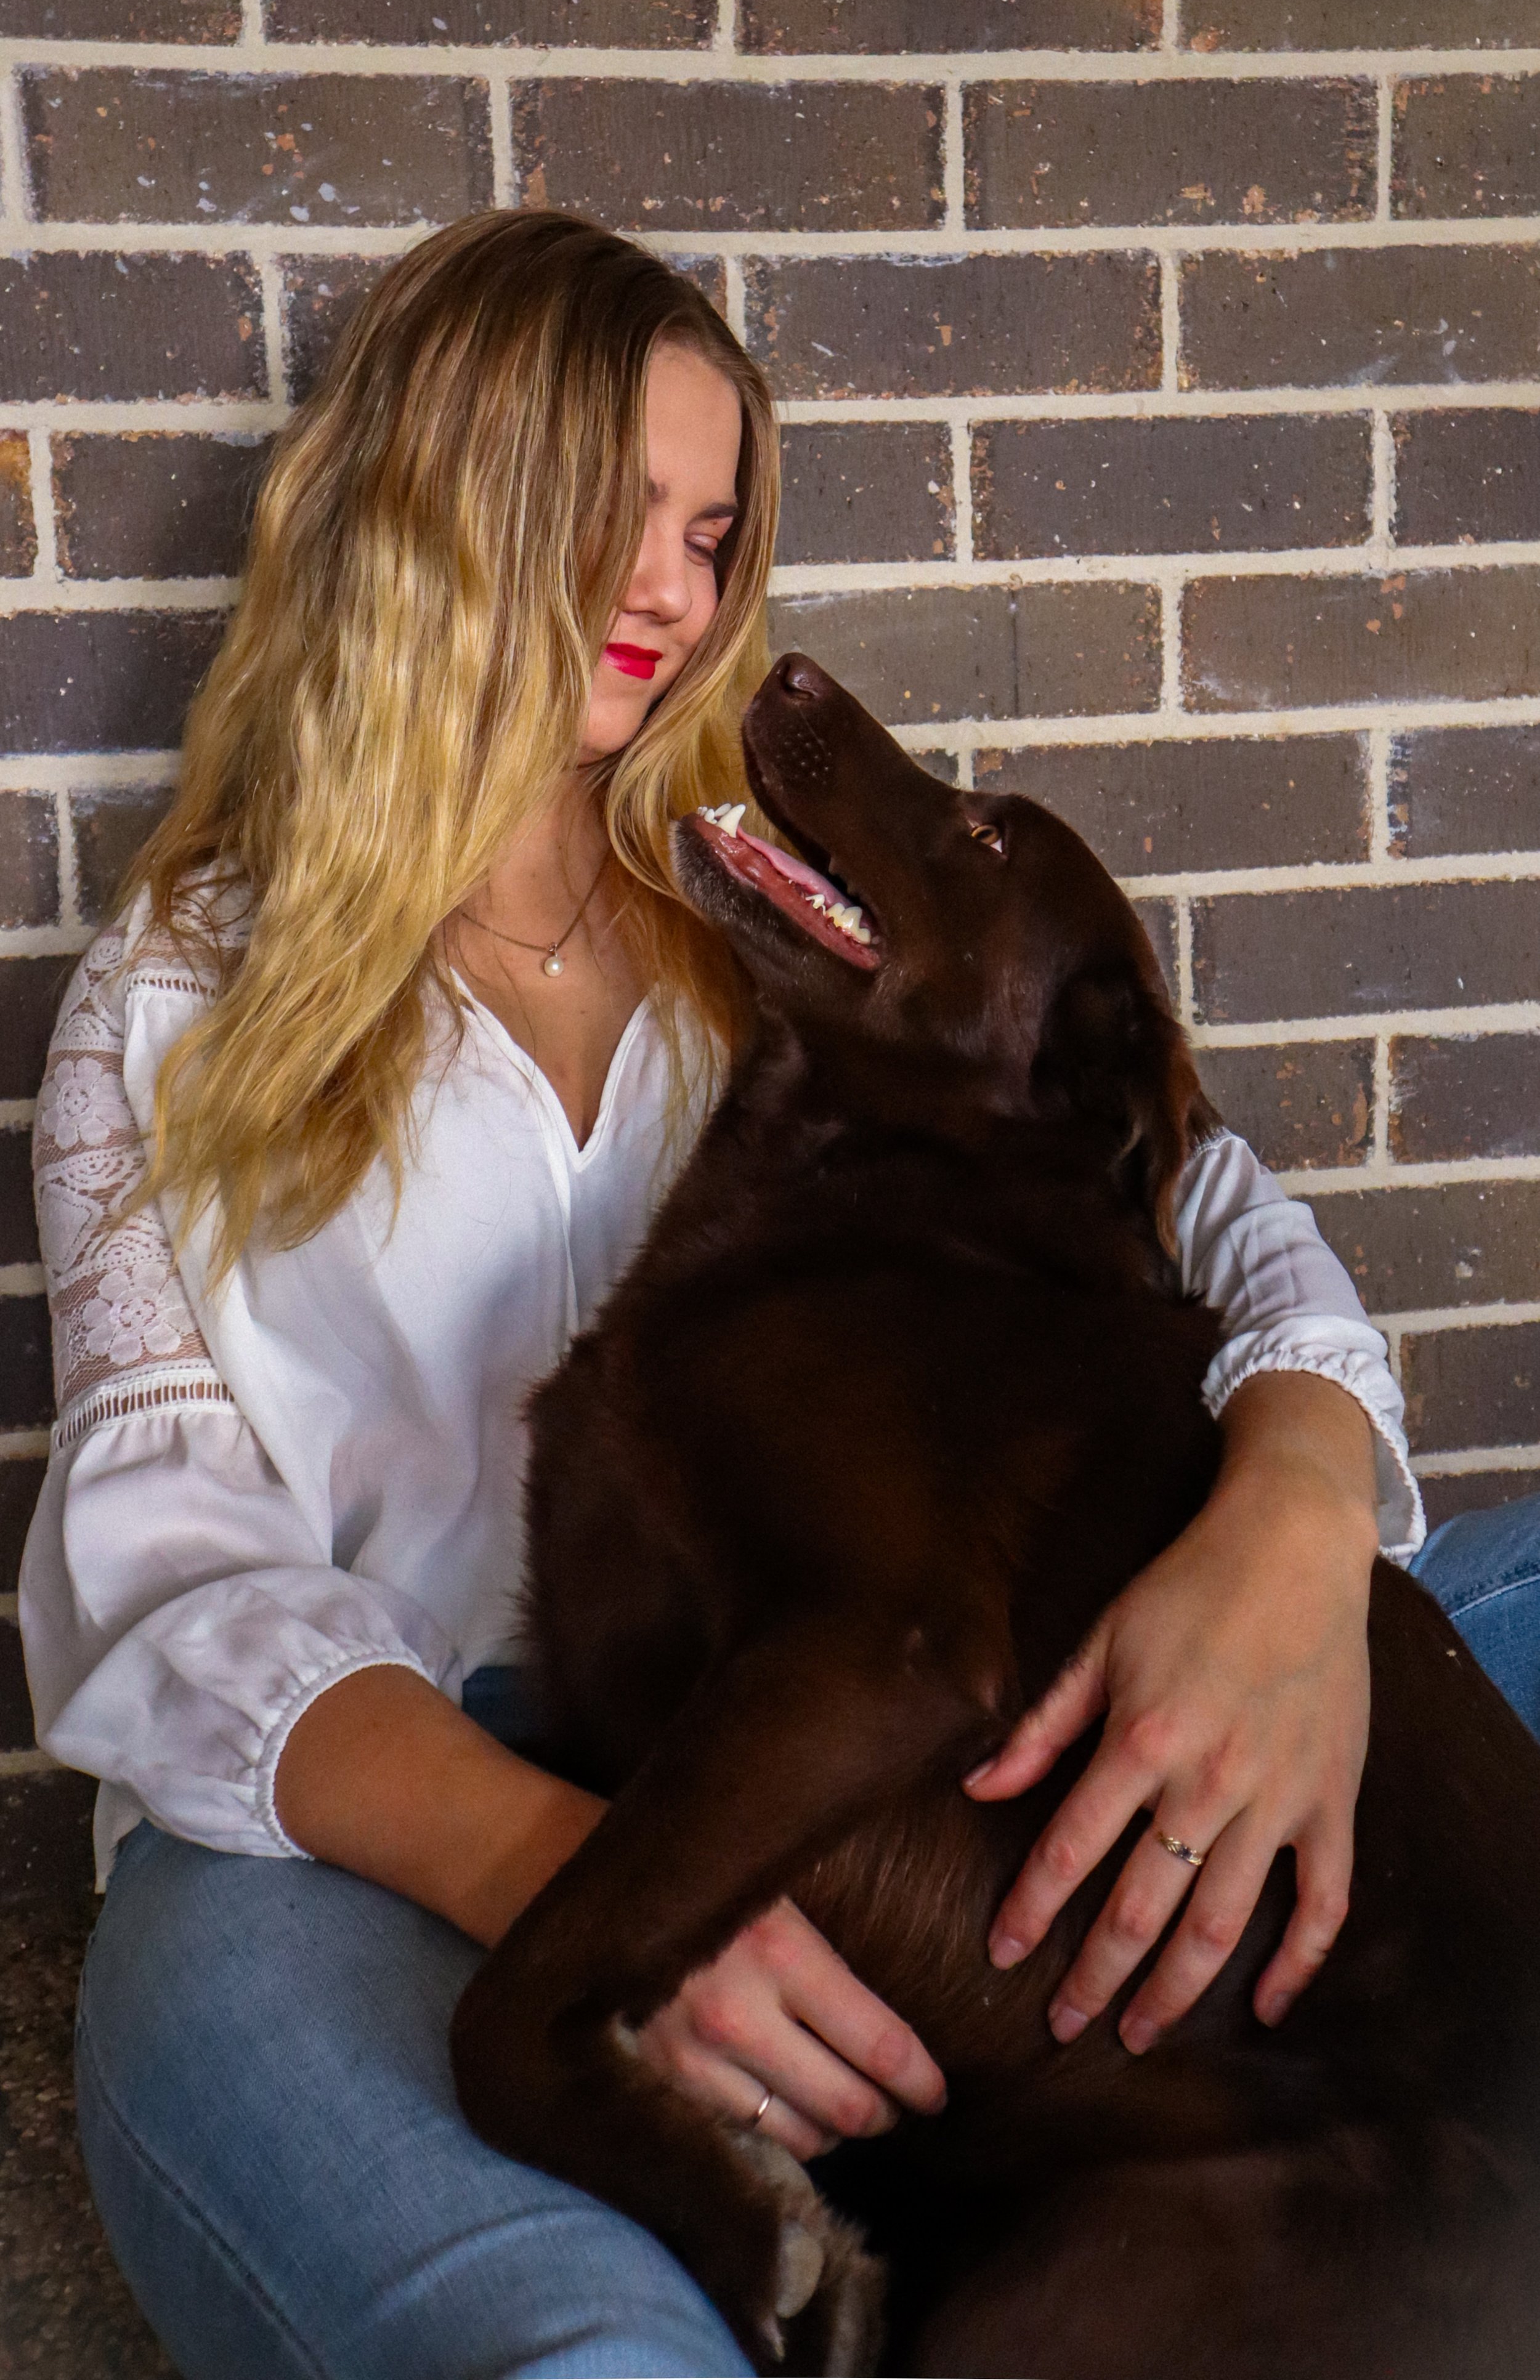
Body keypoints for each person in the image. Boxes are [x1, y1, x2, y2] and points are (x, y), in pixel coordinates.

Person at [14, 207, 1499, 2380]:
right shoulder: (172, 999)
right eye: (612, 516)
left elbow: (1200, 1208)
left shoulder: (766, 900)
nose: (675, 597)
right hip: (355, 1824)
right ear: (432, 488)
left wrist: (1285, 1530)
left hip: (836, 1738)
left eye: (712, 534)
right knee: (597, 2363)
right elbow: (169, 1574)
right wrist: (582, 1885)